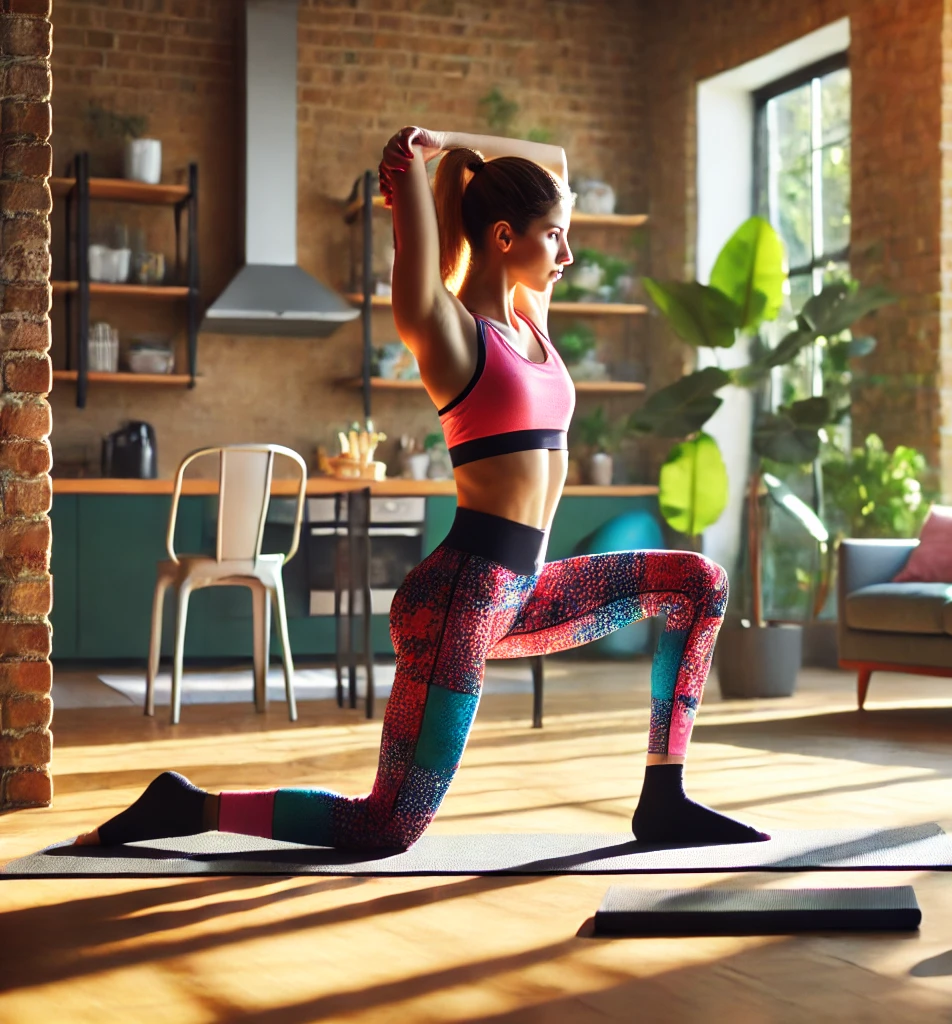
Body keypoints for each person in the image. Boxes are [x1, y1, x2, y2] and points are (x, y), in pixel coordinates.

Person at [78, 127, 765, 851]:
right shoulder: (447, 330)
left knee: (698, 584)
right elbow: (405, 164)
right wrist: (421, 155)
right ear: (504, 237)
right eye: (556, 238)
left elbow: (554, 163)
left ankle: (664, 798)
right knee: (388, 826)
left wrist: (464, 144)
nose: (568, 255)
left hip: (525, 591)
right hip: (461, 601)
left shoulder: (533, 324)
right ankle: (189, 807)